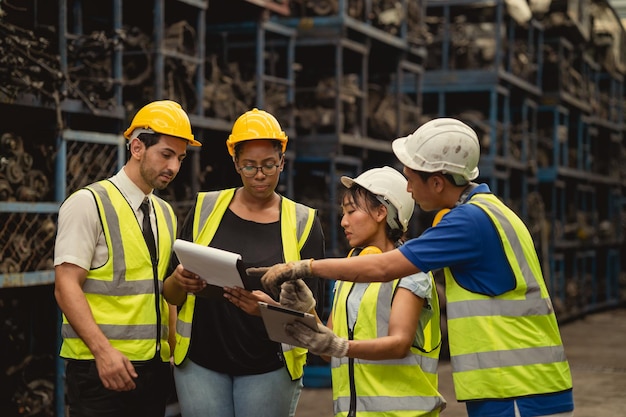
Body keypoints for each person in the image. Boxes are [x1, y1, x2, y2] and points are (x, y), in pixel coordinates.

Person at [253, 118, 575, 417]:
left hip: (518, 387)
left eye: (410, 179)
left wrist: (305, 267)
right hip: (509, 385)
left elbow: (385, 269)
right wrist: (302, 312)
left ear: (436, 182)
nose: (408, 188)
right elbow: (331, 342)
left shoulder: (469, 222)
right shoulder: (485, 213)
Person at [163, 108, 326, 417]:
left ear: (282, 161)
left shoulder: (303, 222)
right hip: (201, 364)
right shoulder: (204, 208)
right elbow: (171, 294)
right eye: (249, 166)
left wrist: (266, 312)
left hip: (268, 366)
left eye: (268, 165)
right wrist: (180, 282)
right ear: (235, 162)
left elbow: (311, 314)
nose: (260, 174)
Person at [54, 100, 201, 417]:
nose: (174, 167)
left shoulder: (164, 213)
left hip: (153, 369)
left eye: (180, 158)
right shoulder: (88, 204)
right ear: (137, 147)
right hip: (100, 370)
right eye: (166, 154)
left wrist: (173, 350)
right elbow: (65, 286)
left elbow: (163, 293)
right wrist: (103, 353)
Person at [282, 166, 446, 416]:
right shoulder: (348, 273)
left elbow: (399, 344)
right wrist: (306, 310)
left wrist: (341, 346)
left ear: (382, 212)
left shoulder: (411, 271)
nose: (343, 221)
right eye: (342, 212)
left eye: (351, 211)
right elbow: (329, 351)